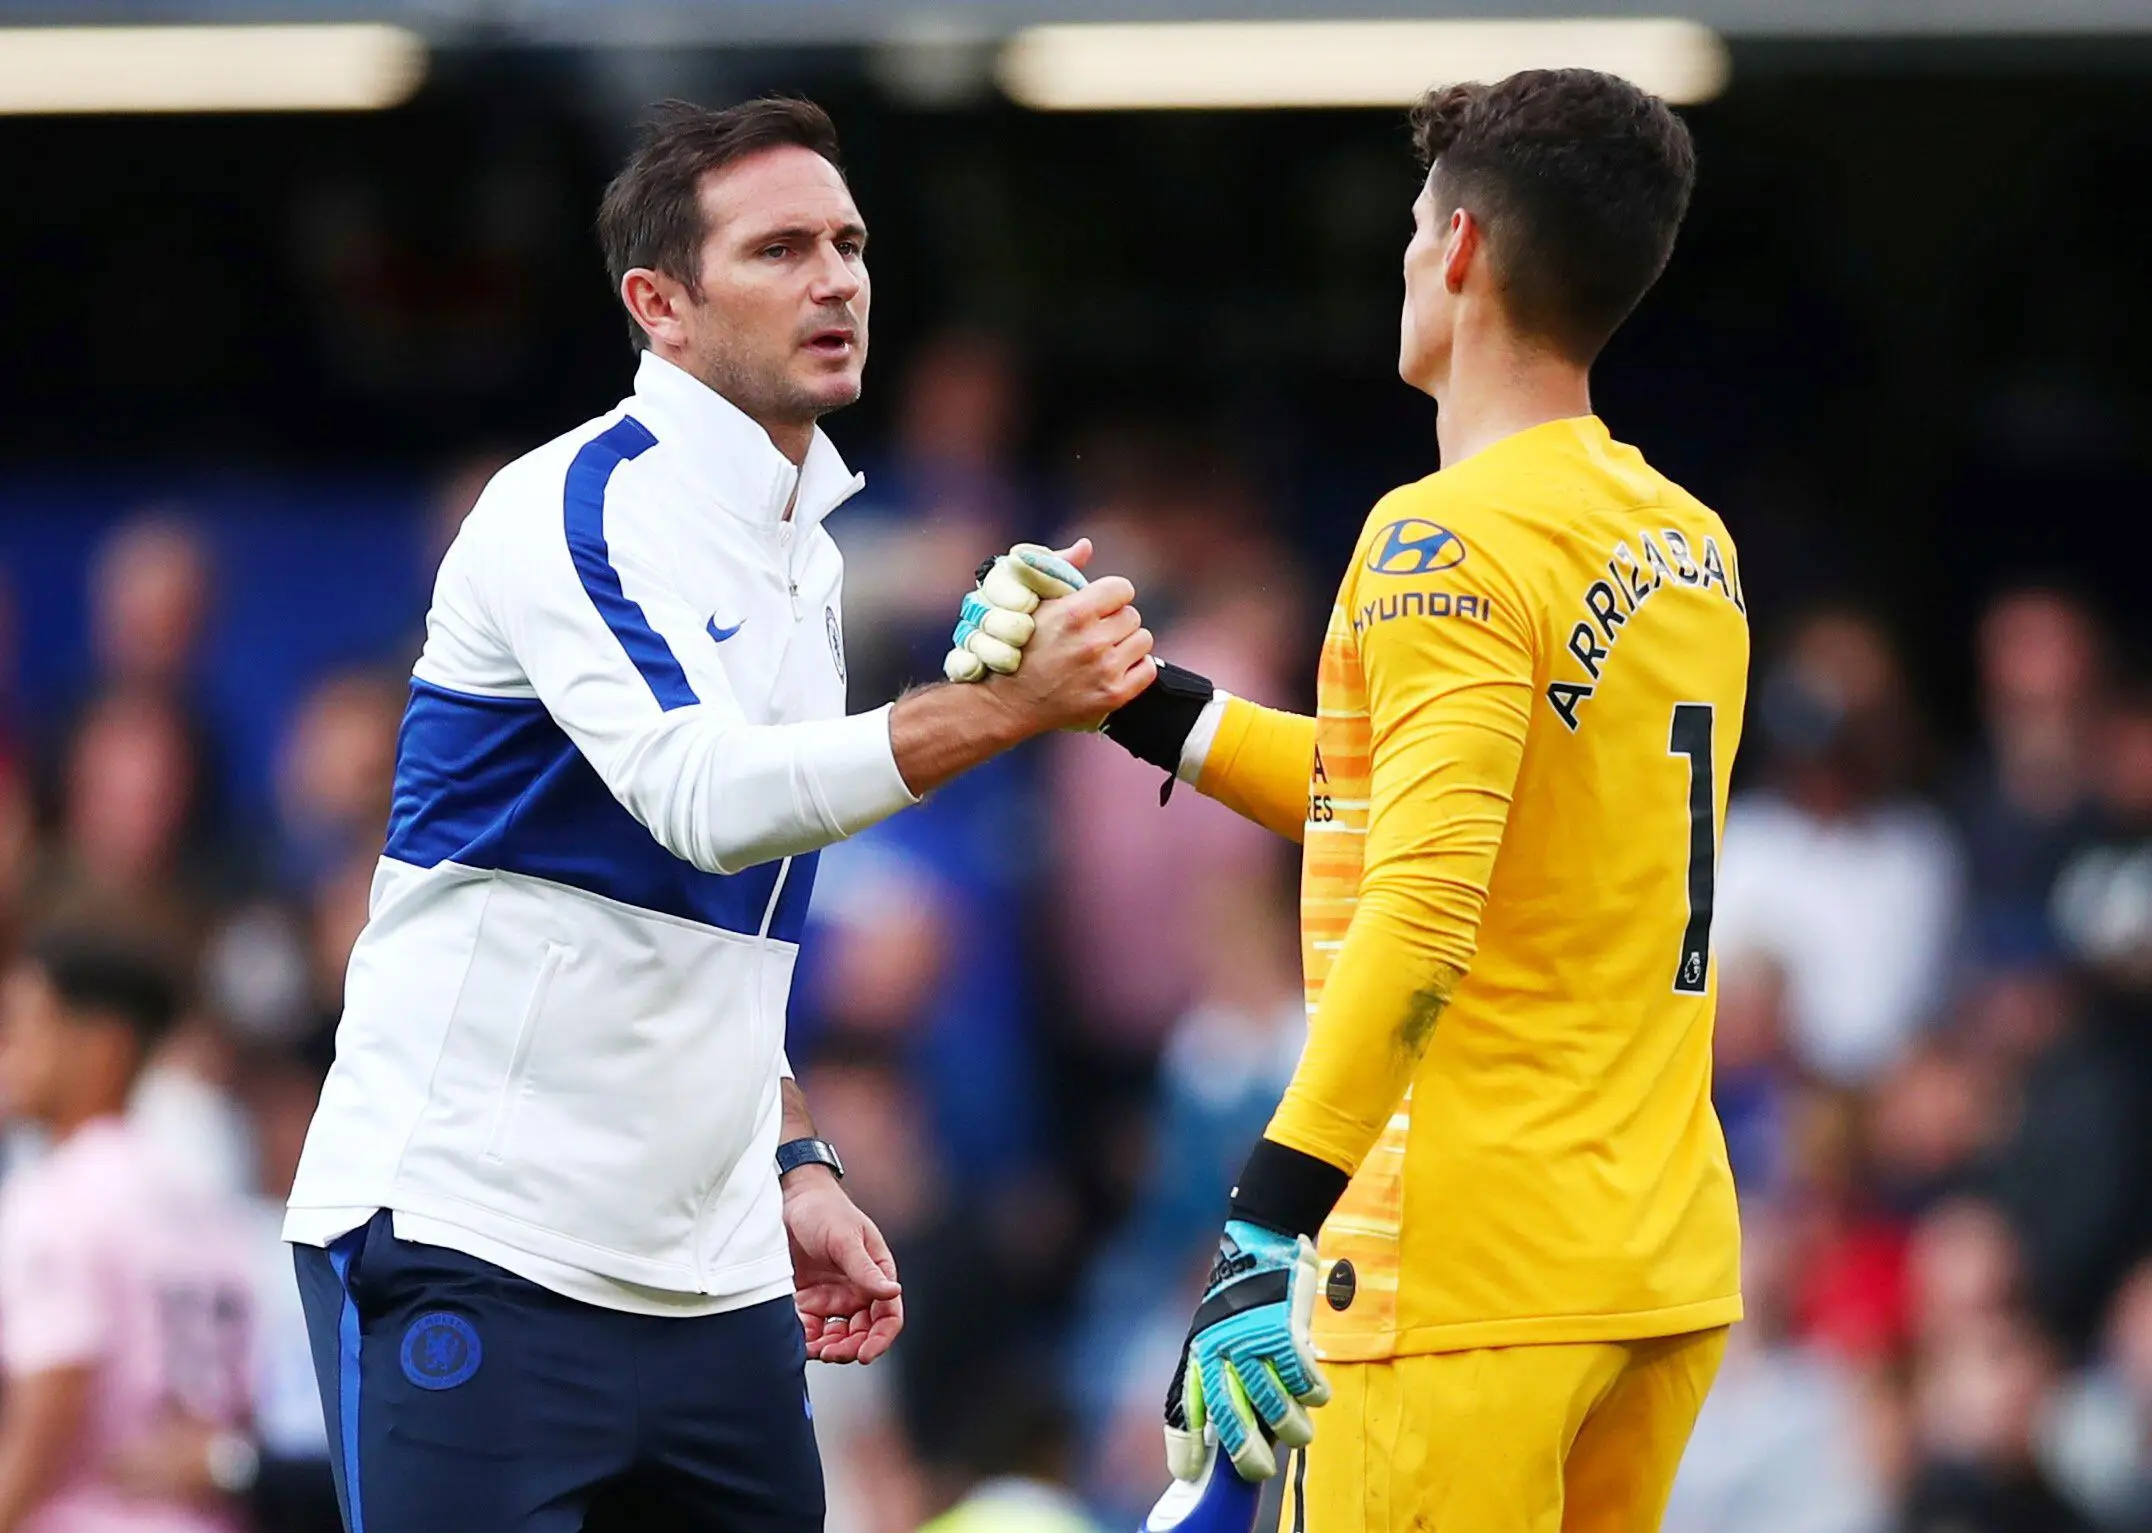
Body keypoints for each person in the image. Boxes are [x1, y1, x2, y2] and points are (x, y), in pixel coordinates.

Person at [281, 97, 1154, 1533]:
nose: (837, 280)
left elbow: (715, 942)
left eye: (849, 244)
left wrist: (792, 1155)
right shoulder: (568, 503)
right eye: (781, 249)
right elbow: (700, 802)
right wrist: (1001, 709)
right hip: (474, 1242)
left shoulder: (806, 556)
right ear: (660, 306)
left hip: (713, 1283)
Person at [967, 67, 1741, 1531]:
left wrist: (1264, 1225)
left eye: (1409, 227)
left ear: (1459, 250)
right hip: (1653, 1274)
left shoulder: (1439, 540)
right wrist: (1137, 700)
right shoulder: (1689, 541)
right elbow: (1419, 806)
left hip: (1460, 1282)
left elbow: (1424, 907)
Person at [0, 930, 258, 1533]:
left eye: (24, 1027)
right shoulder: (203, 1200)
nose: (7, 1052)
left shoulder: (58, 1195)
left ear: (101, 1048)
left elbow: (54, 1397)